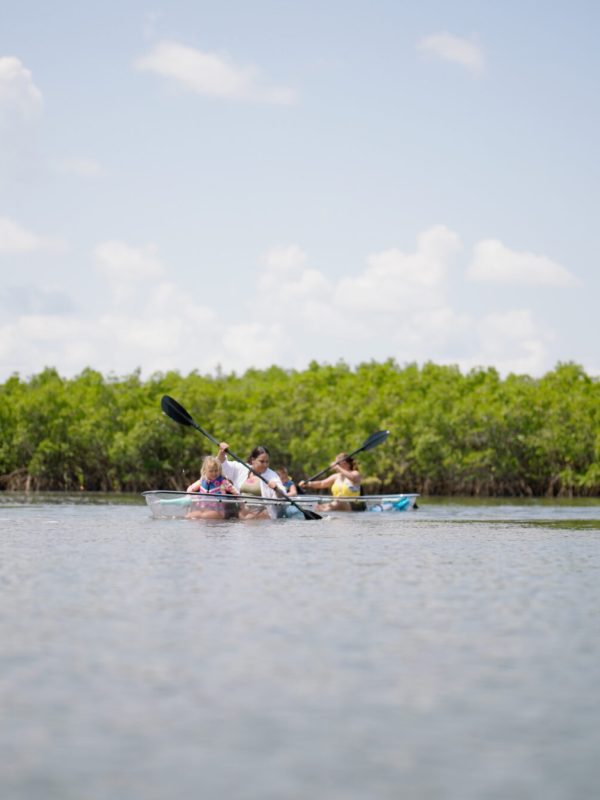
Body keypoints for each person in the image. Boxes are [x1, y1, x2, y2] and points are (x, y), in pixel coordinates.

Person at [217, 443, 286, 519]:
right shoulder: (242, 468)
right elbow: (222, 465)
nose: (265, 465)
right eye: (262, 461)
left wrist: (276, 489)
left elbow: (282, 495)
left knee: (250, 518)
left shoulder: (272, 475)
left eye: (267, 462)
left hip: (261, 516)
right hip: (242, 514)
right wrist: (222, 453)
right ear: (253, 460)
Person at [185, 455, 240, 519]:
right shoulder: (202, 480)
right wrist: (188, 496)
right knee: (188, 516)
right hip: (202, 510)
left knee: (204, 516)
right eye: (211, 471)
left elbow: (236, 493)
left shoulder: (223, 482)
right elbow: (190, 489)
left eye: (216, 470)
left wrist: (241, 506)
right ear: (205, 470)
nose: (214, 473)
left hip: (218, 512)